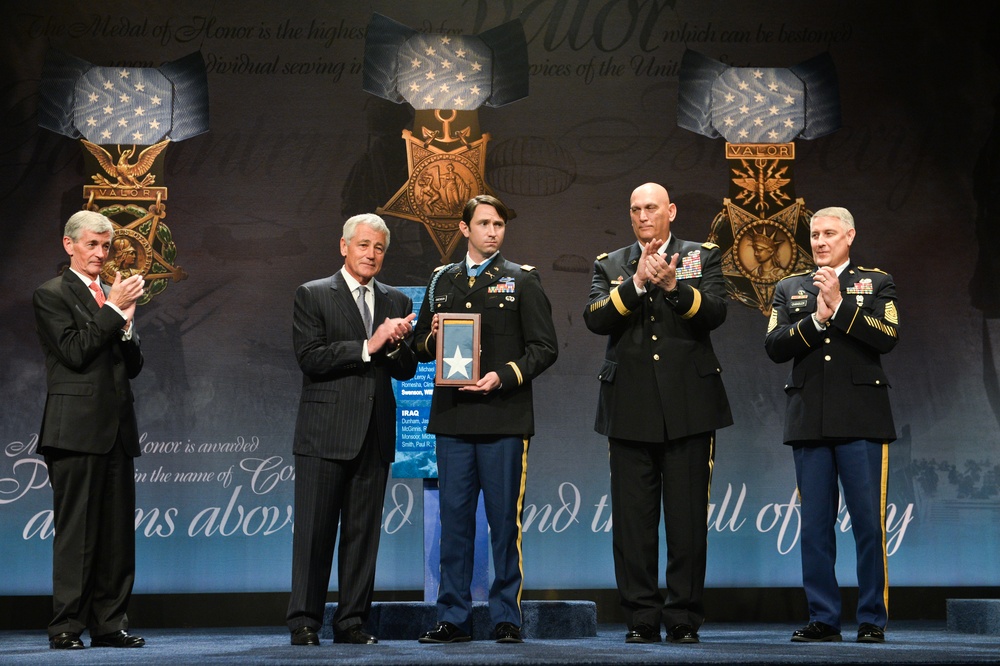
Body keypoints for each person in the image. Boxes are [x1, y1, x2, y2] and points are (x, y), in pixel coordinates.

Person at [583, 182, 733, 645]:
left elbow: (715, 313)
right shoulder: (610, 264)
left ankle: (683, 616)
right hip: (629, 408)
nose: (643, 215)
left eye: (651, 207)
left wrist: (673, 286)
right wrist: (637, 283)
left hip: (690, 405)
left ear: (671, 210)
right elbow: (595, 318)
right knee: (633, 521)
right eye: (635, 209)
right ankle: (641, 616)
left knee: (687, 521)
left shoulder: (701, 255)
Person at [413, 194, 558, 644]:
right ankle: (452, 618)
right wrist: (431, 339)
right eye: (484, 223)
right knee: (454, 523)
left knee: (503, 524)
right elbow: (419, 346)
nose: (493, 231)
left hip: (503, 419)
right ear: (464, 229)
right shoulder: (442, 281)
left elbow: (544, 348)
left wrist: (503, 376)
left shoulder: (522, 280)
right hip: (454, 419)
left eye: (499, 224)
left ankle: (506, 618)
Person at [764, 206, 899, 644]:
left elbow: (887, 336)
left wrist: (840, 306)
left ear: (850, 236)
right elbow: (774, 345)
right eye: (814, 234)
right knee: (815, 525)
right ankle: (823, 618)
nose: (820, 241)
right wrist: (816, 319)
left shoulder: (875, 282)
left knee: (867, 524)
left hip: (863, 418)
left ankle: (871, 620)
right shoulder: (789, 287)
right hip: (809, 421)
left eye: (829, 233)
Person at [286, 213, 418, 646]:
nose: (371, 254)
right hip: (324, 433)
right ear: (344, 247)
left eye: (379, 248)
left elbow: (405, 368)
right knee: (314, 533)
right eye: (363, 245)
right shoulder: (313, 294)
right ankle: (305, 621)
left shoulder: (396, 300)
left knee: (363, 536)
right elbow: (311, 357)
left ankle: (351, 622)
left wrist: (400, 345)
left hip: (374, 434)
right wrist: (370, 344)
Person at [33, 210, 147, 650]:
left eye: (106, 246)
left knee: (117, 534)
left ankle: (109, 623)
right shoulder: (51, 294)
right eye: (92, 245)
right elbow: (75, 352)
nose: (101, 254)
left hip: (117, 430)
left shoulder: (110, 296)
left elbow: (132, 367)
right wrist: (115, 310)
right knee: (77, 533)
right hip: (75, 431)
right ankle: (65, 625)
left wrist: (128, 327)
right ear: (69, 246)